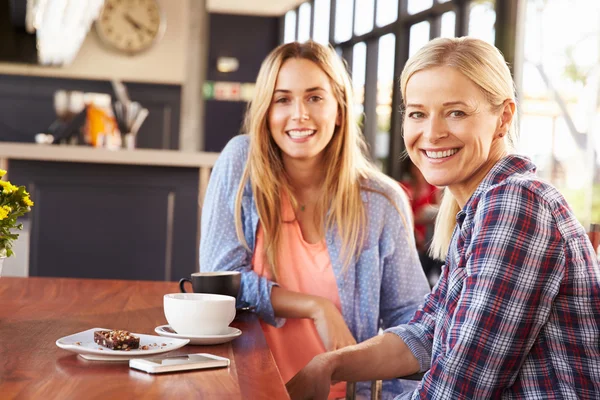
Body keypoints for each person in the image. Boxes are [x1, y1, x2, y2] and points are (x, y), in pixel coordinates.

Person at [286, 36, 600, 400]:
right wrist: (328, 365)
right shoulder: (481, 209)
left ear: (504, 117)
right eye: (418, 113)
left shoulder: (516, 204)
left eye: (456, 112)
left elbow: (459, 388)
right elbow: (429, 332)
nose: (432, 133)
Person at [200, 41, 431, 399]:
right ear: (266, 110)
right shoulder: (241, 164)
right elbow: (219, 279)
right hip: (247, 388)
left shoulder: (382, 201)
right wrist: (315, 307)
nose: (299, 114)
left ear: (339, 109)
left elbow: (413, 321)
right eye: (283, 99)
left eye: (314, 98)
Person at [399, 157, 442, 285]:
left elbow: (439, 215)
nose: (418, 170)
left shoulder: (433, 188)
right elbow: (400, 217)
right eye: (414, 166)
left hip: (428, 240)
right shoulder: (403, 188)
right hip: (409, 236)